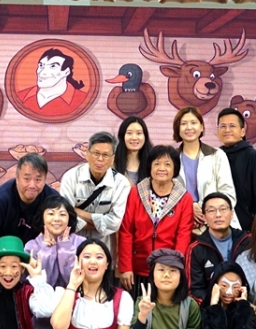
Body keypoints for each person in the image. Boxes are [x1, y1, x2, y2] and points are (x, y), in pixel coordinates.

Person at [24, 195, 85, 329]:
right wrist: (47, 252)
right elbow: (41, 283)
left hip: (72, 319)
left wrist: (65, 249)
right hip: (40, 320)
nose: (56, 218)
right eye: (51, 213)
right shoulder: (32, 246)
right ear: (42, 217)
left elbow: (74, 280)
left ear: (70, 218)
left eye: (62, 214)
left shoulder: (80, 243)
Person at [117, 144, 194, 291]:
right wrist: (125, 267)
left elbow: (183, 236)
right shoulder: (135, 193)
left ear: (175, 168)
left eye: (167, 164)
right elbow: (126, 231)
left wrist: (175, 267)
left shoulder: (184, 198)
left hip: (167, 270)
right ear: (150, 166)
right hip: (137, 269)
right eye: (157, 164)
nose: (162, 168)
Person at [0, 153, 61, 261]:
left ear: (45, 180)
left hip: (30, 246)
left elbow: (65, 229)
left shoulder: (53, 199)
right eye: (27, 179)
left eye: (38, 180)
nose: (32, 185)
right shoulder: (0, 198)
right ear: (17, 177)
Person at [58, 131, 131, 250]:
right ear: (87, 154)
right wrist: (101, 223)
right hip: (72, 247)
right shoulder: (70, 177)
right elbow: (66, 217)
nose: (100, 159)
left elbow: (114, 223)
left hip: (103, 249)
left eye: (105, 155)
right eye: (96, 153)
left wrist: (78, 212)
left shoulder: (121, 184)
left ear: (112, 158)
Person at [173, 106, 237, 232]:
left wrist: (204, 211)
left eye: (193, 123)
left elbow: (228, 194)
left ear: (201, 127)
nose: (189, 127)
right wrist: (189, 207)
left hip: (215, 223)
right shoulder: (170, 158)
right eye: (184, 124)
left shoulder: (217, 155)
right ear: (178, 129)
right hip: (180, 223)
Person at [216, 107, 256, 233]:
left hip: (248, 231)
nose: (227, 130)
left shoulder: (254, 157)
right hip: (218, 229)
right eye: (222, 126)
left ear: (242, 131)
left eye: (232, 126)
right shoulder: (213, 158)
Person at [188, 192, 250, 303]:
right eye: (211, 210)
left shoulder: (247, 241)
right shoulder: (196, 248)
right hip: (211, 307)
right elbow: (195, 289)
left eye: (223, 209)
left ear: (232, 213)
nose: (218, 215)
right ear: (204, 217)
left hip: (245, 303)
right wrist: (215, 304)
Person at [19, 47, 87, 117]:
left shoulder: (82, 99)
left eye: (53, 66)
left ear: (66, 72)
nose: (42, 73)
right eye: (41, 66)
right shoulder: (21, 96)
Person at [116, 115, 154, 186]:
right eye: (129, 133)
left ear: (145, 136)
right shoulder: (112, 164)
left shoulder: (153, 163)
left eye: (139, 133)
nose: (134, 138)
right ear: (122, 136)